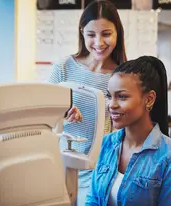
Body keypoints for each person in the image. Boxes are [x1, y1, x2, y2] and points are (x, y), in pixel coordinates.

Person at [47, 0, 127, 205]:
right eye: (91, 35)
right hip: (61, 165)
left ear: (118, 33)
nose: (99, 42)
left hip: (103, 170)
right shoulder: (63, 68)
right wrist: (61, 114)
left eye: (106, 34)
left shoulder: (123, 75)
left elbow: (127, 129)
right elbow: (43, 118)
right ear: (82, 32)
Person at [86, 56, 171, 206]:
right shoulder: (106, 144)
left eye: (122, 97)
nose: (111, 105)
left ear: (149, 99)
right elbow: (93, 199)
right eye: (110, 96)